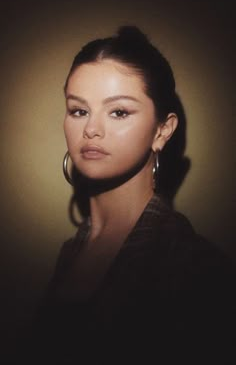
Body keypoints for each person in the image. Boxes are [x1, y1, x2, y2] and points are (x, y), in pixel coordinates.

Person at [30, 26, 235, 364]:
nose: (91, 129)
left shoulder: (193, 265)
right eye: (79, 110)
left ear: (162, 130)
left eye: (119, 112)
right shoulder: (70, 251)